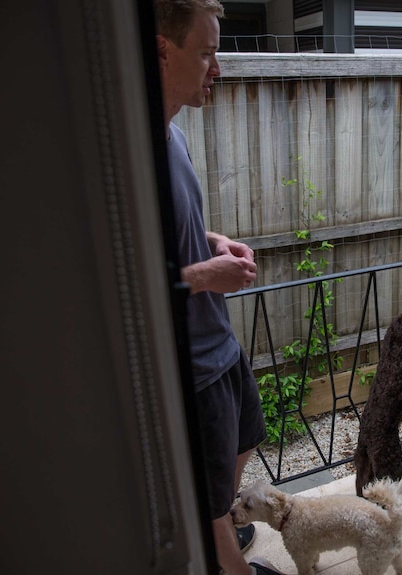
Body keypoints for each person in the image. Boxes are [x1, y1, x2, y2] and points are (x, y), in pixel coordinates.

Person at [153, 1, 286, 573]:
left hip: (221, 345)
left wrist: (212, 243)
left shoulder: (172, 137)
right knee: (208, 506)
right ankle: (222, 556)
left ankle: (219, 536)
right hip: (193, 366)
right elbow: (123, 282)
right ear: (162, 51)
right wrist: (204, 276)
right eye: (206, 53)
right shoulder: (133, 155)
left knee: (245, 439)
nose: (218, 67)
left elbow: (170, 231)